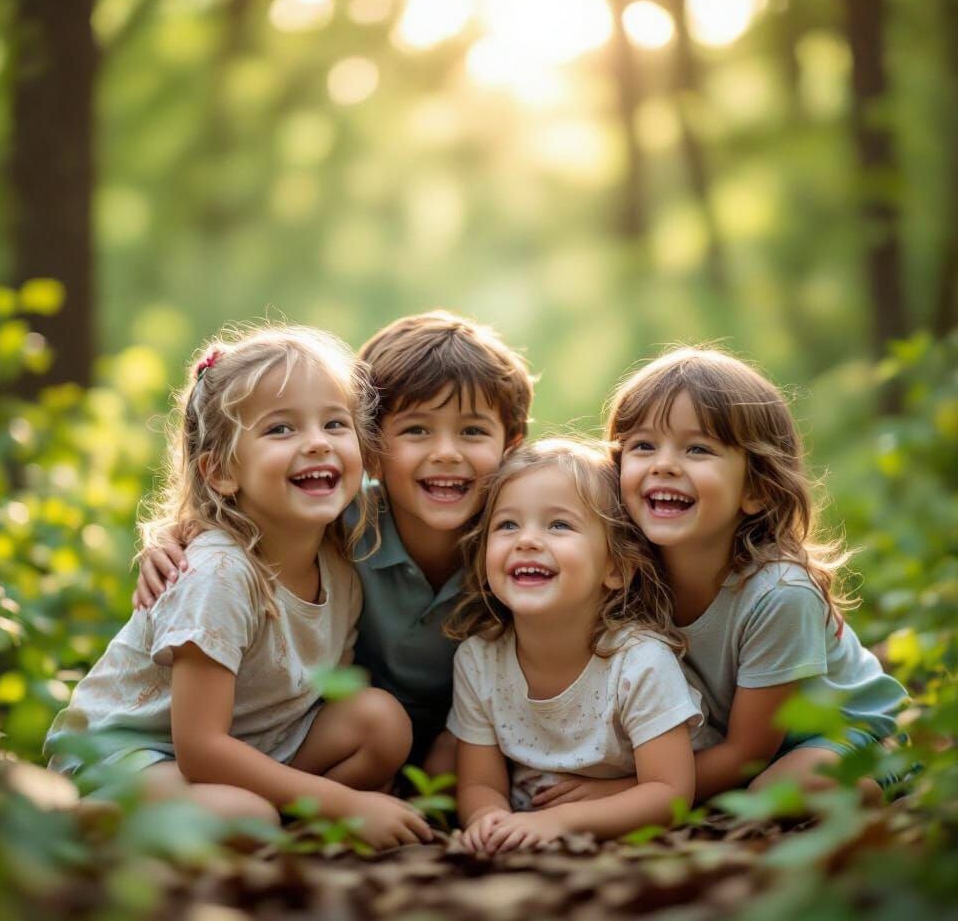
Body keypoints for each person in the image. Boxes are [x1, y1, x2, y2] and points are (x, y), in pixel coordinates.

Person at [45, 324, 433, 850]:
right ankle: (74, 819)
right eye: (280, 429)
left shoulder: (339, 562)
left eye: (335, 423)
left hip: (251, 744)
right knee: (245, 815)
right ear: (221, 472)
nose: (318, 442)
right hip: (136, 756)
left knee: (381, 724)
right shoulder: (219, 574)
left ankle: (277, 825)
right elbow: (199, 749)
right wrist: (346, 802)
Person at [135, 312, 535, 774]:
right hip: (355, 734)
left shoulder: (522, 542)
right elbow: (253, 513)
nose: (446, 452)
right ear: (371, 449)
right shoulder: (338, 523)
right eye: (417, 430)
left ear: (510, 448)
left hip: (468, 742)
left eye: (472, 431)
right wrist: (177, 535)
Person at [597, 346, 908, 803]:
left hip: (843, 730)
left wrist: (616, 795)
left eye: (698, 449)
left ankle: (885, 774)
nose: (662, 464)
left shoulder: (779, 593)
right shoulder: (623, 575)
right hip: (744, 744)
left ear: (757, 489)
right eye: (643, 445)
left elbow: (746, 754)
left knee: (778, 786)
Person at [446, 439, 710, 853]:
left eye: (559, 526)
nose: (526, 540)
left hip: (607, 834)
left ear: (616, 567)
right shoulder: (478, 660)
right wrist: (487, 818)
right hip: (530, 834)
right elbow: (479, 783)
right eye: (508, 525)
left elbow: (669, 793)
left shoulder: (639, 662)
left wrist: (559, 822)